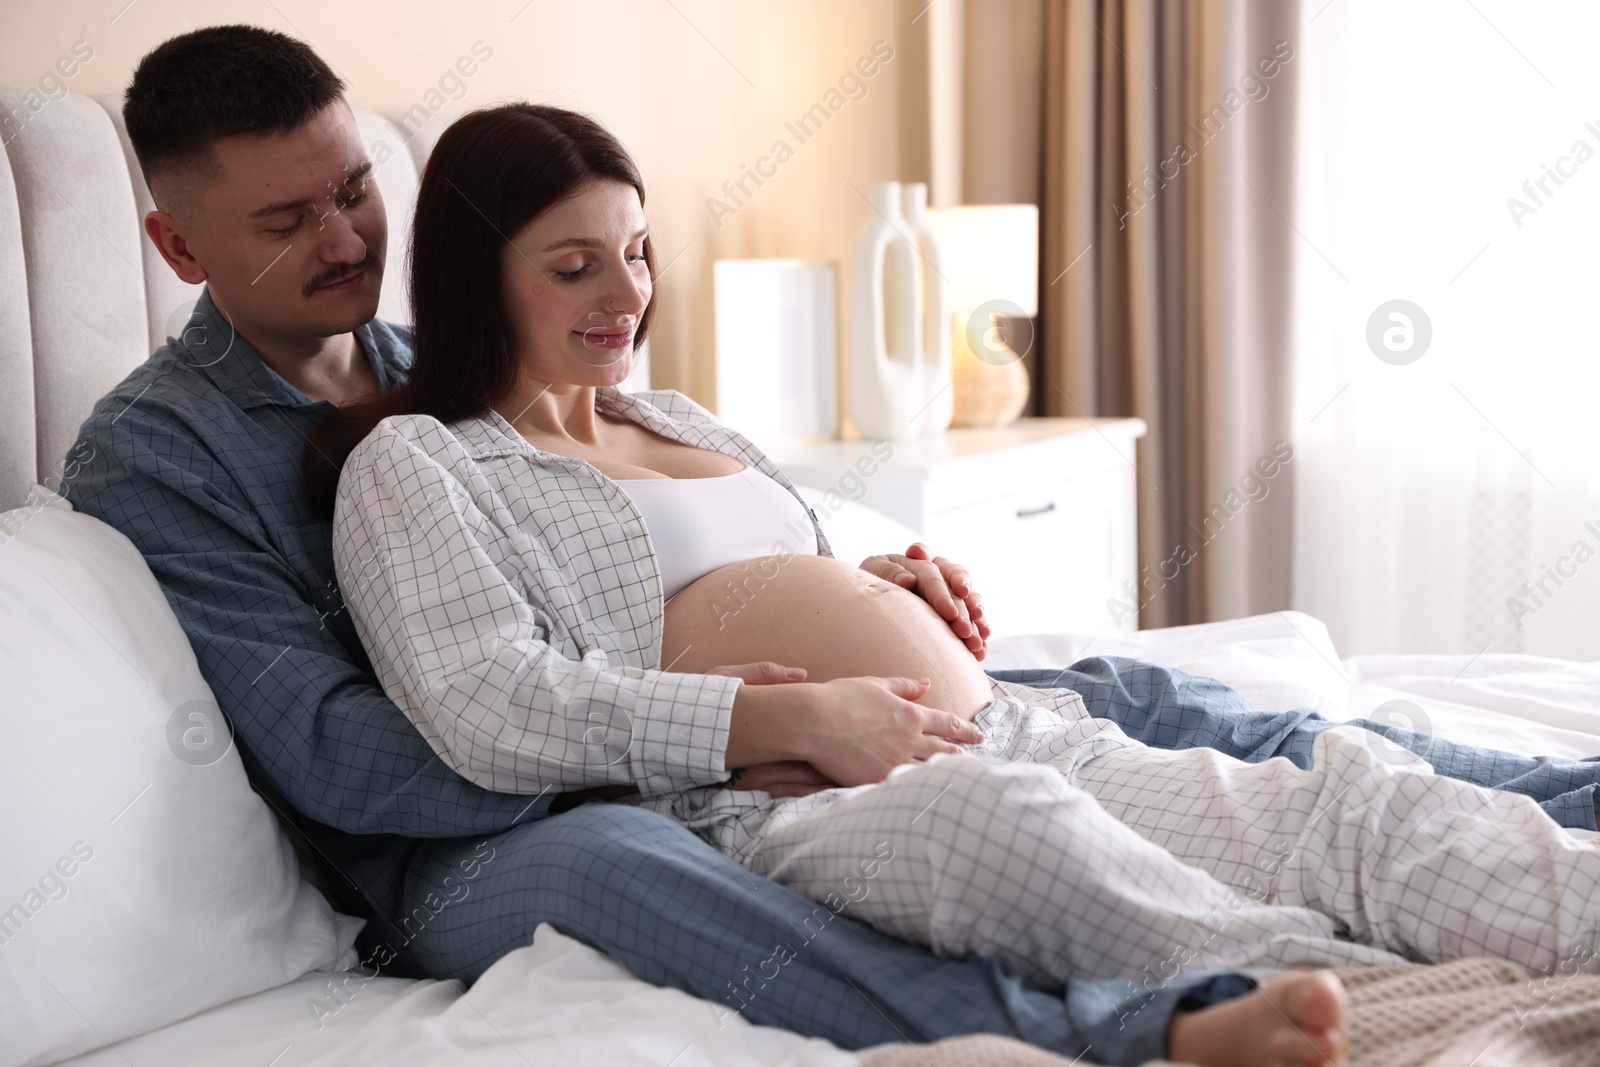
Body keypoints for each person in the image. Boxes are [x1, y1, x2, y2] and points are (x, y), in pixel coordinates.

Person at [57, 24, 1590, 1067]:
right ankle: (1130, 1026)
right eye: (285, 223)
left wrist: (863, 593)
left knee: (1127, 688)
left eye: (356, 193)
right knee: (648, 858)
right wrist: (737, 728)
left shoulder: (451, 357)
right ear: (179, 249)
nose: (344, 243)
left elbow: (676, 551)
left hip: (798, 728)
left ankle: (1539, 804)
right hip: (469, 841)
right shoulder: (165, 453)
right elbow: (347, 753)